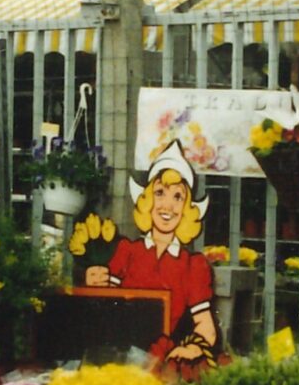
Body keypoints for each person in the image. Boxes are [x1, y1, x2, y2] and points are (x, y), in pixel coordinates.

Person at [75, 146, 219, 371]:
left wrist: (193, 348)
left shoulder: (193, 266)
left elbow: (205, 324)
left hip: (163, 364)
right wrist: (93, 282)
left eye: (178, 197)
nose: (167, 205)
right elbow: (103, 307)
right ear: (147, 200)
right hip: (117, 359)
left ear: (187, 209)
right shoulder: (127, 251)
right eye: (160, 193)